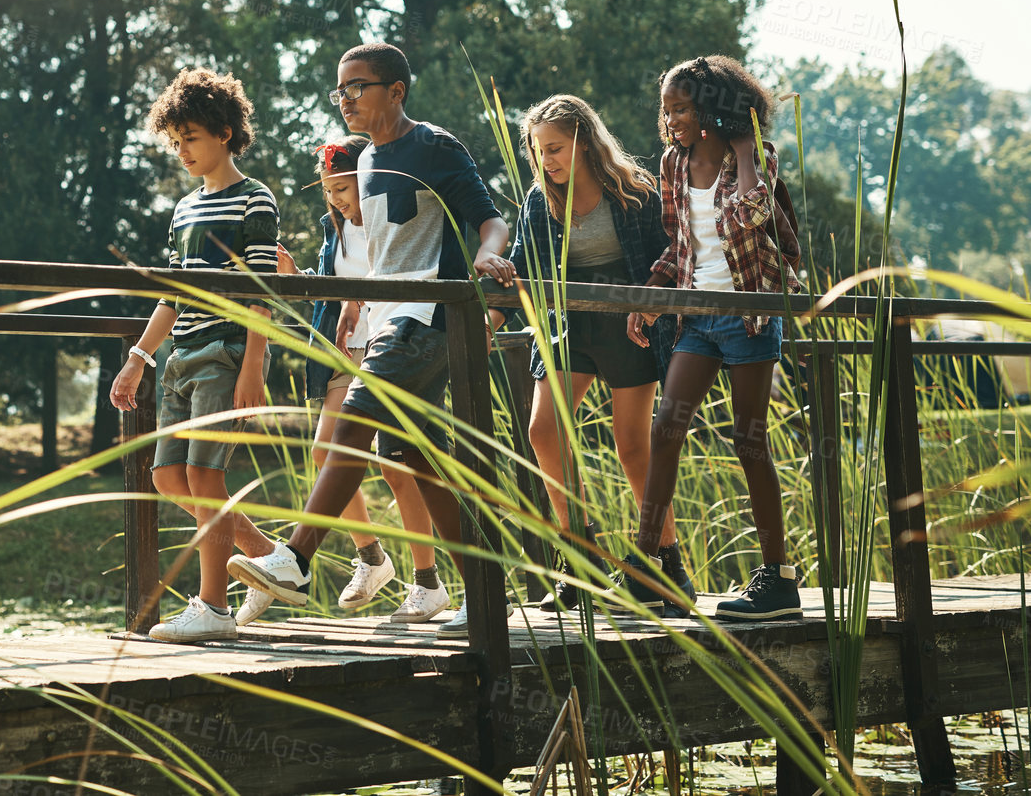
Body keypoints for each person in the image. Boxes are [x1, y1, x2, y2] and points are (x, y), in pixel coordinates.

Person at [227, 43, 515, 637]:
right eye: (340, 90)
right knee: (415, 455)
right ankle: (487, 592)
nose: (346, 99)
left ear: (397, 91)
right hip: (388, 319)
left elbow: (492, 219)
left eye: (358, 86)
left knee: (354, 420)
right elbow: (375, 260)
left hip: (427, 316)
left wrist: (488, 258)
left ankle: (297, 558)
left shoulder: (433, 146)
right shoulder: (363, 164)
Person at [110, 68, 289, 643]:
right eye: (175, 140)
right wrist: (140, 356)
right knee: (167, 477)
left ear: (226, 133)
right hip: (181, 356)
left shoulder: (254, 199)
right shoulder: (184, 210)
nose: (181, 150)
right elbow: (173, 293)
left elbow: (263, 291)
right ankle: (264, 559)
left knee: (204, 476)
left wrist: (254, 364)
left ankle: (212, 608)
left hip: (225, 352)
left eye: (191, 138)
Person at [623, 56, 804, 622]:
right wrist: (653, 292)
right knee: (666, 429)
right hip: (696, 318)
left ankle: (778, 580)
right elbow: (680, 245)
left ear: (712, 108)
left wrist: (746, 149)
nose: (671, 118)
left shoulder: (756, 158)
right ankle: (648, 568)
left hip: (750, 313)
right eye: (667, 109)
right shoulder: (673, 164)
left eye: (682, 107)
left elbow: (752, 215)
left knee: (749, 443)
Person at [499, 95, 690, 613]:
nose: (547, 161)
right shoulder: (540, 200)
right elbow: (522, 267)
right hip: (569, 325)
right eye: (538, 152)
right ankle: (580, 558)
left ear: (585, 140)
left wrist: (650, 306)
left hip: (630, 325)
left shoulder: (634, 193)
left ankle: (667, 561)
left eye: (555, 148)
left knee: (632, 446)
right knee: (544, 431)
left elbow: (670, 258)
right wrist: (489, 298)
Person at [260, 136, 448, 626]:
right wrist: (301, 279)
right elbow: (337, 288)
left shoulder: (387, 218)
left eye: (345, 187)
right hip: (347, 353)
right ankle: (370, 557)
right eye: (330, 191)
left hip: (393, 342)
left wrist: (353, 299)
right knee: (328, 452)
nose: (339, 199)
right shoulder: (335, 229)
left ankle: (425, 581)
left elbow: (389, 277)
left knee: (400, 464)